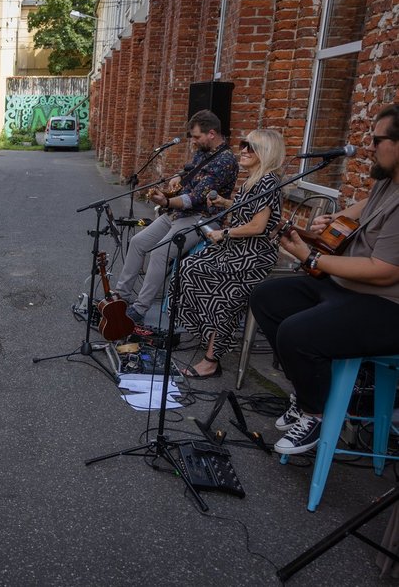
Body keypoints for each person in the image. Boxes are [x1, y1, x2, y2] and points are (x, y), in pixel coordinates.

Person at [250, 104, 399, 455]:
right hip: (345, 289)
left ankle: (315, 412)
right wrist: (328, 222)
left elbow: (384, 271)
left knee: (297, 333)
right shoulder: (386, 184)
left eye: (378, 140)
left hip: (386, 307)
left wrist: (312, 257)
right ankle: (306, 395)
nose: (370, 146)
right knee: (267, 298)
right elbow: (359, 212)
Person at [175, 129, 285, 378]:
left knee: (223, 292)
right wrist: (227, 204)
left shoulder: (268, 181)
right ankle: (209, 334)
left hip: (253, 253)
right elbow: (250, 211)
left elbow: (258, 227)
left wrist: (223, 234)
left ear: (266, 153)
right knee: (189, 268)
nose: (243, 150)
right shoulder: (253, 180)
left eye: (251, 147)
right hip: (238, 248)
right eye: (243, 145)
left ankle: (211, 358)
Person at [114, 110, 239, 324]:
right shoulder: (204, 151)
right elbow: (189, 169)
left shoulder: (225, 161)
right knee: (137, 242)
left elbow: (194, 198)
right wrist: (177, 177)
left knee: (161, 253)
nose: (194, 142)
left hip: (201, 218)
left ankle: (139, 309)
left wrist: (166, 201)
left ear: (211, 133)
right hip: (178, 213)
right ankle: (120, 297)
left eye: (197, 137)